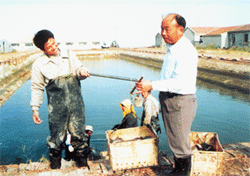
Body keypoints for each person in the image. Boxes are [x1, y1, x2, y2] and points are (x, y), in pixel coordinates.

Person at [136, 13, 198, 175]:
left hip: (180, 101)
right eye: (161, 29)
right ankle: (178, 170)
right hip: (171, 98)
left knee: (180, 142)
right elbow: (168, 78)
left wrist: (152, 84)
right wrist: (150, 87)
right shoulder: (173, 49)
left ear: (180, 30)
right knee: (174, 139)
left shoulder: (185, 50)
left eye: (167, 29)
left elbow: (180, 83)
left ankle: (182, 173)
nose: (163, 33)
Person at [30, 29, 90, 169]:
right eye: (49, 47)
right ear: (43, 50)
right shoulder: (39, 64)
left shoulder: (69, 54)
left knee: (79, 134)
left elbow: (79, 70)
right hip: (56, 108)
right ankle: (55, 166)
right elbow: (36, 87)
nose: (54, 47)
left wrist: (82, 72)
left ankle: (82, 164)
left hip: (76, 105)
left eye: (54, 43)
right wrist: (35, 109)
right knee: (57, 138)